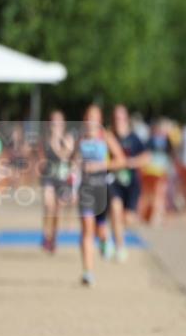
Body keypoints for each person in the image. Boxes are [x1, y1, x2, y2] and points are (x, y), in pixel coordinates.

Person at [74, 105, 127, 286]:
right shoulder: (80, 139)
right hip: (85, 190)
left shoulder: (106, 137)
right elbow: (73, 162)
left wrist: (99, 166)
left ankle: (106, 240)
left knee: (100, 230)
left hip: (102, 189)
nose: (90, 121)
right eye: (88, 117)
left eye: (94, 117)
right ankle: (88, 272)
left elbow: (121, 160)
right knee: (87, 230)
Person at [106, 105, 147, 261]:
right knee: (116, 210)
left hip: (131, 184)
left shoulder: (134, 138)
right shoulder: (109, 137)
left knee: (128, 219)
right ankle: (120, 246)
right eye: (116, 118)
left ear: (126, 119)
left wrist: (131, 162)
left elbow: (146, 157)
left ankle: (115, 234)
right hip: (113, 182)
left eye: (121, 118)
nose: (119, 121)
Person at [39, 110, 75, 253]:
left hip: (62, 178)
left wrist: (56, 142)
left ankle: (53, 237)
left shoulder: (68, 138)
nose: (56, 124)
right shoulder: (45, 139)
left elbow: (64, 156)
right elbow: (42, 161)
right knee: (48, 206)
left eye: (58, 121)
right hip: (49, 177)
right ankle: (46, 234)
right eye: (53, 121)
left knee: (57, 209)